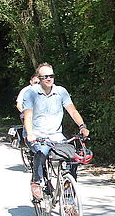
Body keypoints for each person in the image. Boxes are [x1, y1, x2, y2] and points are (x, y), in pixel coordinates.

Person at [22, 63, 90, 199]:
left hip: (56, 136)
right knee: (42, 151)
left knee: (72, 158)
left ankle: (69, 199)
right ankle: (36, 181)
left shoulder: (61, 92)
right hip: (37, 135)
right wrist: (30, 133)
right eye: (45, 76)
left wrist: (82, 126)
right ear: (39, 78)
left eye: (51, 76)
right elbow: (27, 115)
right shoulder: (31, 92)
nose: (49, 78)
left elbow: (72, 110)